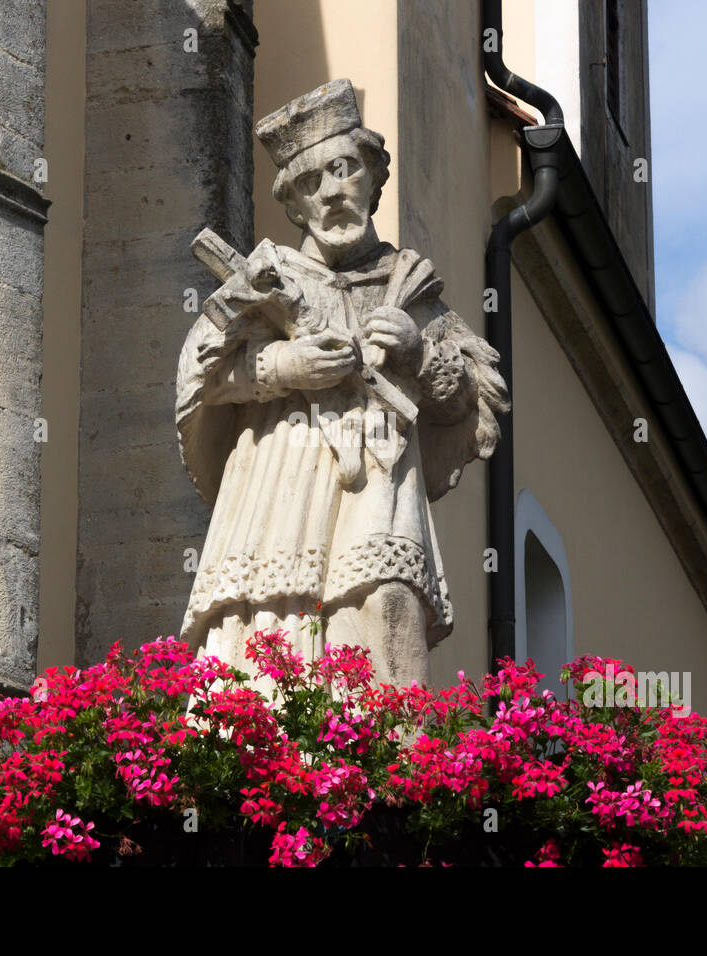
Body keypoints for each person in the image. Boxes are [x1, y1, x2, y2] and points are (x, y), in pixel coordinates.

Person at [176, 78, 508, 688]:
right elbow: (201, 377)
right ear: (295, 204)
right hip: (279, 478)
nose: (331, 193)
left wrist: (417, 353)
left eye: (344, 169)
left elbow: (475, 399)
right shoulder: (263, 279)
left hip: (381, 479)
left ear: (374, 177)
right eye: (310, 182)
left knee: (386, 604)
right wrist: (283, 367)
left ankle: (387, 776)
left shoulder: (409, 286)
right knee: (268, 633)